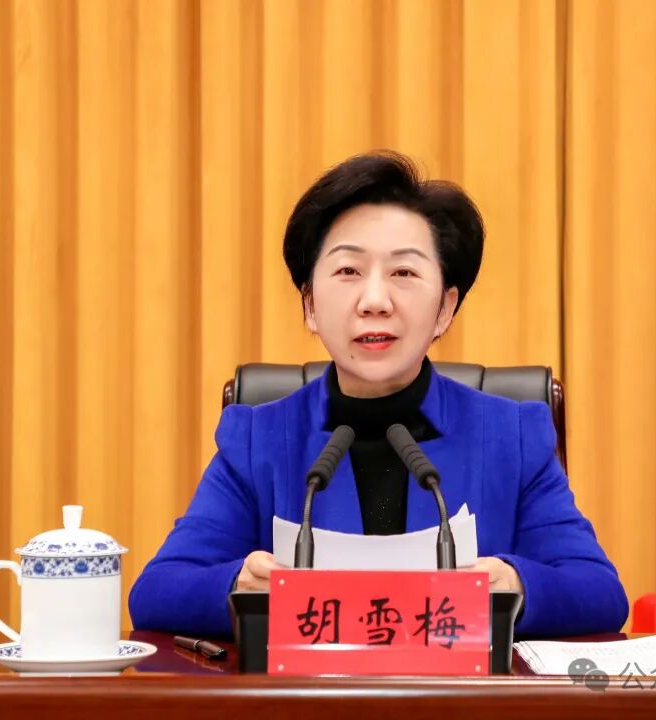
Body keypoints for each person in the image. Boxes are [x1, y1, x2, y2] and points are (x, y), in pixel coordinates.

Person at [129, 152, 628, 638]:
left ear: (445, 309)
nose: (374, 301)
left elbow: (599, 592)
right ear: (310, 305)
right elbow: (156, 591)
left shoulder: (512, 437)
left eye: (404, 273)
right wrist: (238, 586)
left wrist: (514, 584)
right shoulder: (258, 439)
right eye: (348, 271)